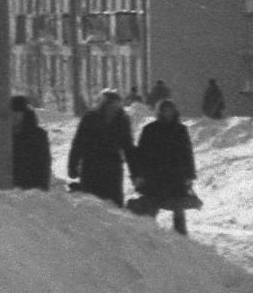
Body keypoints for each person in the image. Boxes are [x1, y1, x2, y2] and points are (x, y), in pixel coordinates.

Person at [129, 99, 198, 235]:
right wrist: (139, 174)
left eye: (170, 110)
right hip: (155, 176)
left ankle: (181, 234)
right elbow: (141, 154)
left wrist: (189, 175)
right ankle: (147, 233)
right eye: (165, 110)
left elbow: (187, 153)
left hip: (176, 176)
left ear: (174, 112)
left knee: (178, 205)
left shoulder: (181, 130)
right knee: (152, 204)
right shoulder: (149, 130)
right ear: (159, 112)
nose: (168, 113)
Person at [68, 88, 136, 207]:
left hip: (112, 169)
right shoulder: (90, 118)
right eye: (111, 105)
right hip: (91, 167)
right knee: (91, 204)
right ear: (104, 105)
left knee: (114, 204)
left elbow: (128, 147)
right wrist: (72, 165)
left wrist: (135, 173)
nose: (114, 109)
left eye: (117, 105)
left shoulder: (122, 121)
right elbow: (79, 143)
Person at [10, 96, 52, 190]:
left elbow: (44, 164)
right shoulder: (3, 136)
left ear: (25, 114)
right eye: (12, 113)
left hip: (31, 188)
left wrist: (42, 188)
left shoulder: (38, 135)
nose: (14, 116)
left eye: (18, 113)